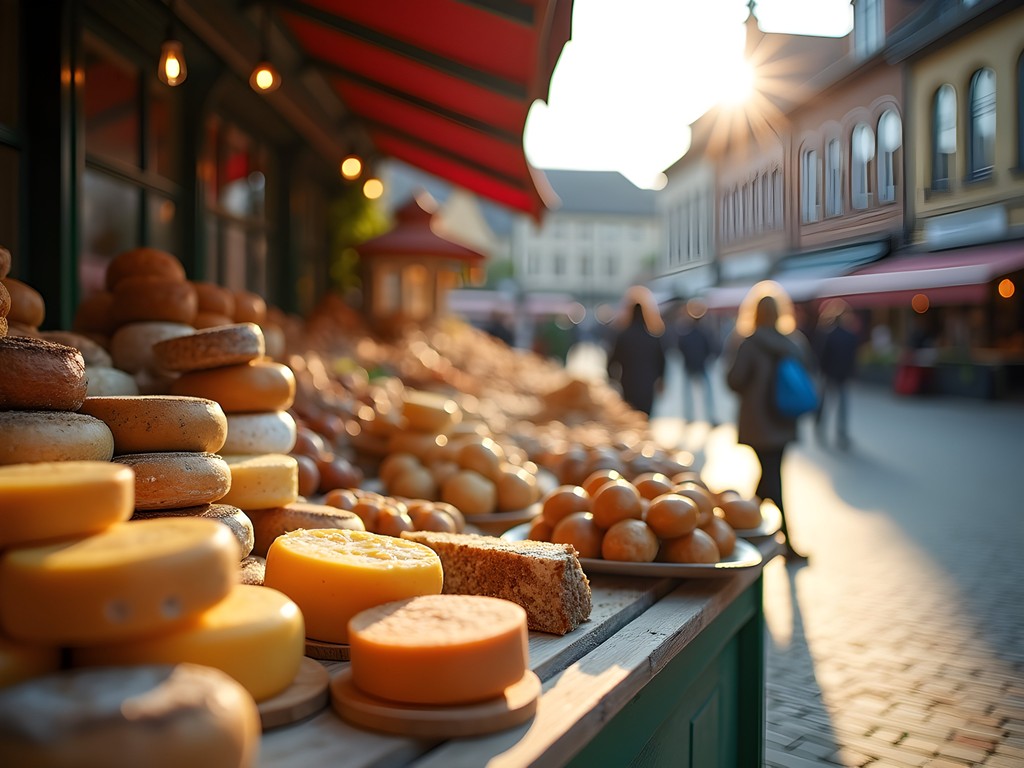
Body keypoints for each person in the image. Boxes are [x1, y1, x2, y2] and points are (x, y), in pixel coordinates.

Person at [725, 281, 813, 562]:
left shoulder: (749, 343)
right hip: (783, 422)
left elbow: (734, 381)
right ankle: (757, 532)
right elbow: (808, 370)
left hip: (758, 424)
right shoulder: (792, 342)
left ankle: (746, 530)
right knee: (772, 478)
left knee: (770, 480)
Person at [606, 285, 667, 416]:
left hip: (628, 382)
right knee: (645, 416)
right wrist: (661, 379)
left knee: (631, 417)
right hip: (648, 383)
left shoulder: (622, 336)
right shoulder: (653, 337)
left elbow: (612, 360)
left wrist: (612, 379)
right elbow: (661, 360)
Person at [814, 299, 860, 449]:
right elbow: (853, 358)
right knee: (842, 406)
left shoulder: (829, 335)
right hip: (843, 375)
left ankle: (820, 429)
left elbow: (822, 356)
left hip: (829, 374)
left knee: (826, 403)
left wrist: (821, 371)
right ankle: (841, 434)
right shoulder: (850, 336)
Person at [674, 300, 719, 425]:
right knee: (702, 393)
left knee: (700, 393)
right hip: (695, 365)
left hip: (696, 365)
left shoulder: (690, 331)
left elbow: (711, 348)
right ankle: (699, 417)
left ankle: (697, 417)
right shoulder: (692, 331)